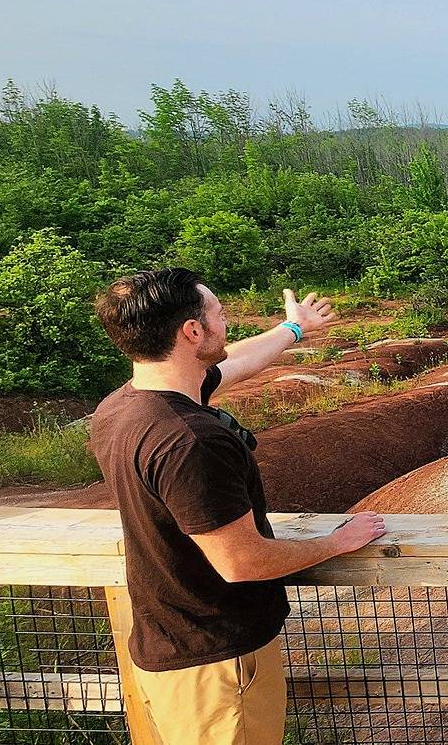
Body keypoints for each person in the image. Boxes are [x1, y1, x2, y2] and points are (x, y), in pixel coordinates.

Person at [89, 268, 386, 745]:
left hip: (170, 643)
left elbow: (235, 363)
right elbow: (241, 561)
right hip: (218, 662)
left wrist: (294, 329)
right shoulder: (190, 441)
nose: (226, 324)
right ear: (192, 332)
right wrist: (335, 542)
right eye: (220, 315)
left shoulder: (124, 407)